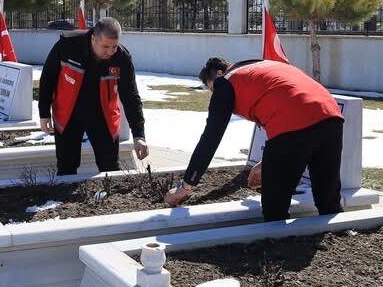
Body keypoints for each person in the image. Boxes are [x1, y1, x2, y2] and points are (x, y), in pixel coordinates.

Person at [164, 57, 344, 222]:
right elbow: (285, 101)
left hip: (293, 124)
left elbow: (211, 137)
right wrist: (267, 162)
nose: (215, 94)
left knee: (275, 207)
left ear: (218, 75)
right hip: (331, 116)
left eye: (212, 89)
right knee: (328, 197)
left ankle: (278, 251)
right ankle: (336, 237)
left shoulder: (225, 82)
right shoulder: (260, 66)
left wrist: (185, 186)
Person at [38, 17, 148, 174]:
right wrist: (44, 113)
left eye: (114, 46)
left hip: (103, 117)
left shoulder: (122, 58)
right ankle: (61, 199)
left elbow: (131, 97)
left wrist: (139, 135)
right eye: (105, 46)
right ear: (93, 38)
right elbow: (47, 79)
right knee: (66, 166)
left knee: (110, 166)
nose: (110, 52)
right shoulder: (67, 46)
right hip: (69, 115)